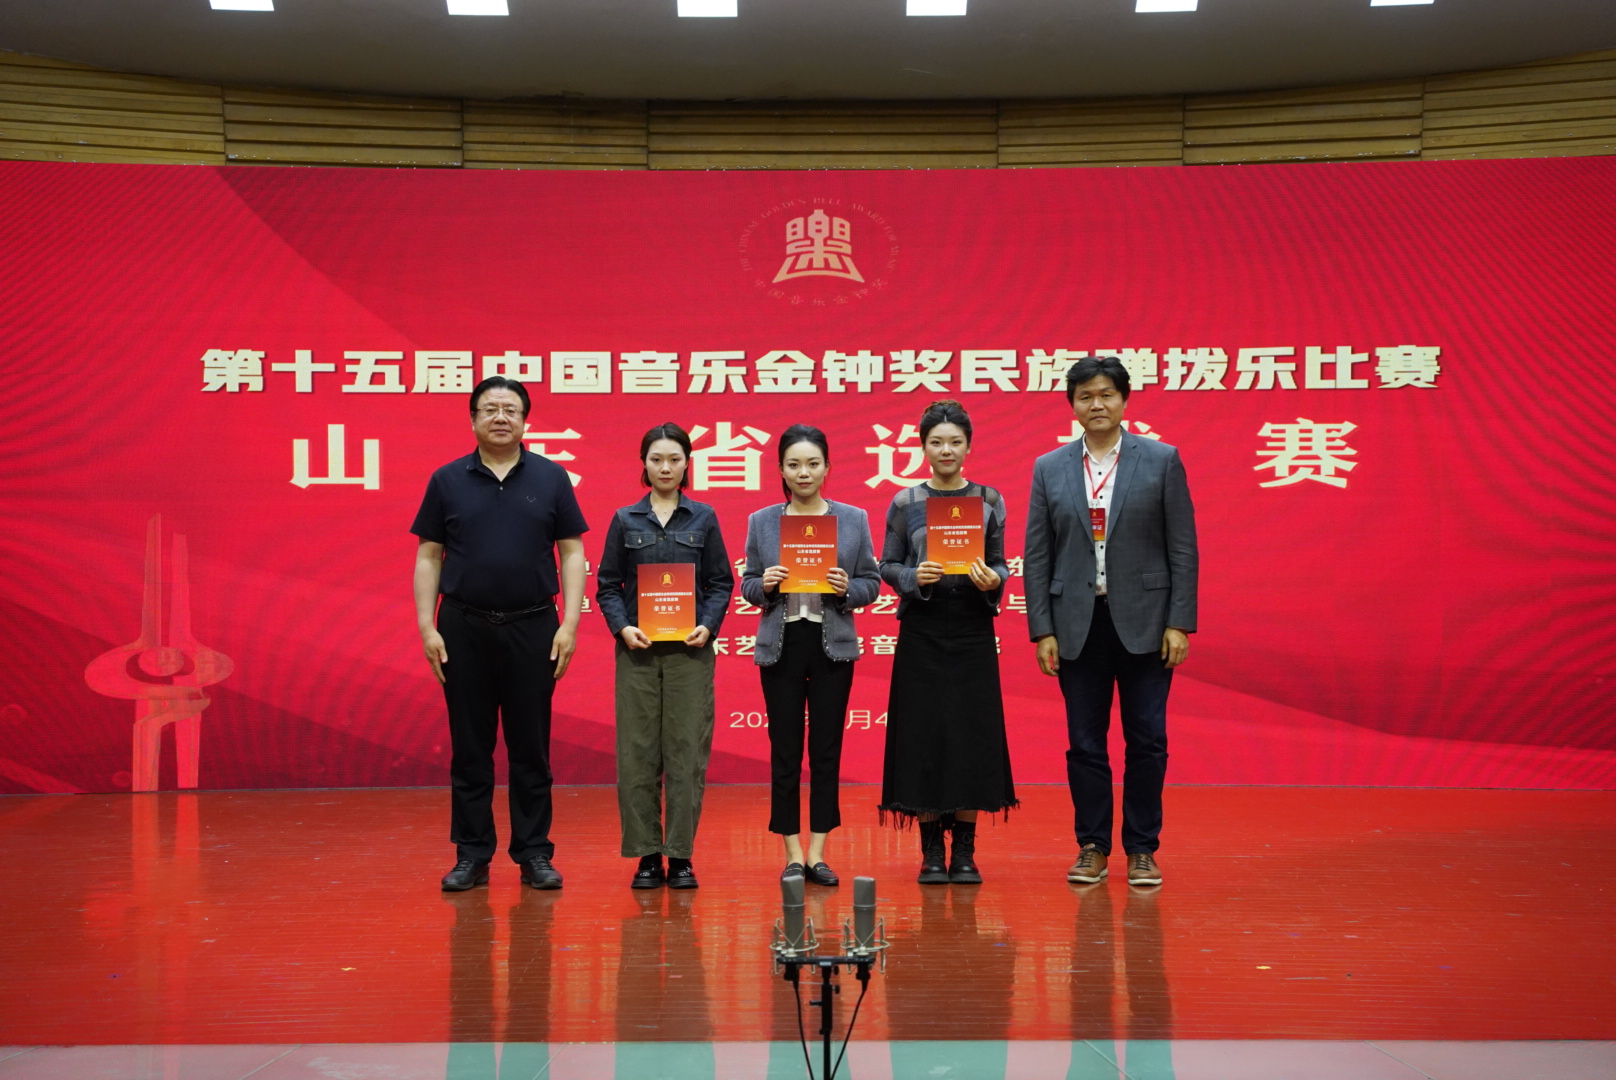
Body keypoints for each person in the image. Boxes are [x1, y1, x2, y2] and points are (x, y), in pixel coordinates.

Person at [1024, 355, 1198, 888]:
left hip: (1148, 622)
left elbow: (1182, 548)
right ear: (1072, 405)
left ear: (1124, 400)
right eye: (1085, 396)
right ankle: (1092, 846)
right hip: (1077, 624)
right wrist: (1043, 629)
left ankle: (1142, 849)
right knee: (1085, 742)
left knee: (1147, 740)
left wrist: (1179, 622)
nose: (1096, 404)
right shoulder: (1050, 467)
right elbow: (1038, 555)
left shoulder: (1161, 459)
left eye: (1106, 394)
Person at [411, 375, 588, 892]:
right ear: (472, 420)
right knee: (470, 748)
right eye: (489, 408)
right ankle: (471, 855)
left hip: (534, 626)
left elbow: (572, 552)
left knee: (531, 748)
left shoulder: (551, 477)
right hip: (462, 627)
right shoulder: (447, 480)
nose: (501, 417)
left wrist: (569, 623)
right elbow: (429, 556)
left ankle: (534, 853)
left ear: (526, 420)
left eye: (511, 409)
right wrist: (427, 625)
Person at [877, 399, 1017, 884]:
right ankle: (932, 850)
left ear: (969, 446)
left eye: (955, 441)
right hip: (923, 627)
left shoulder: (989, 500)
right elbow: (886, 564)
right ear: (923, 447)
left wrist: (993, 580)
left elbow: (1000, 564)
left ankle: (965, 852)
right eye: (936, 442)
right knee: (924, 736)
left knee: (971, 736)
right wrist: (912, 577)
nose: (946, 450)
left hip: (973, 628)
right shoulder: (905, 502)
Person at [741, 425, 882, 886]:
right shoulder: (762, 520)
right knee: (785, 751)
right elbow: (747, 585)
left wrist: (847, 589)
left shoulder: (853, 519)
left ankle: (818, 853)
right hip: (781, 645)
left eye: (813, 464)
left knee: (826, 751)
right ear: (781, 469)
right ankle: (792, 852)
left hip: (831, 645)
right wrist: (765, 586)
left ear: (827, 467)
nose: (804, 472)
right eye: (794, 464)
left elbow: (872, 582)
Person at [596, 423, 734, 890]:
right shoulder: (625, 519)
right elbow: (607, 585)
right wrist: (622, 626)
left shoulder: (704, 517)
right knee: (637, 754)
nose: (665, 467)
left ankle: (680, 855)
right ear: (644, 463)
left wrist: (708, 624)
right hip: (638, 652)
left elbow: (721, 582)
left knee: (685, 753)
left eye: (674, 458)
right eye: (656, 459)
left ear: (687, 462)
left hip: (690, 654)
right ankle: (647, 856)